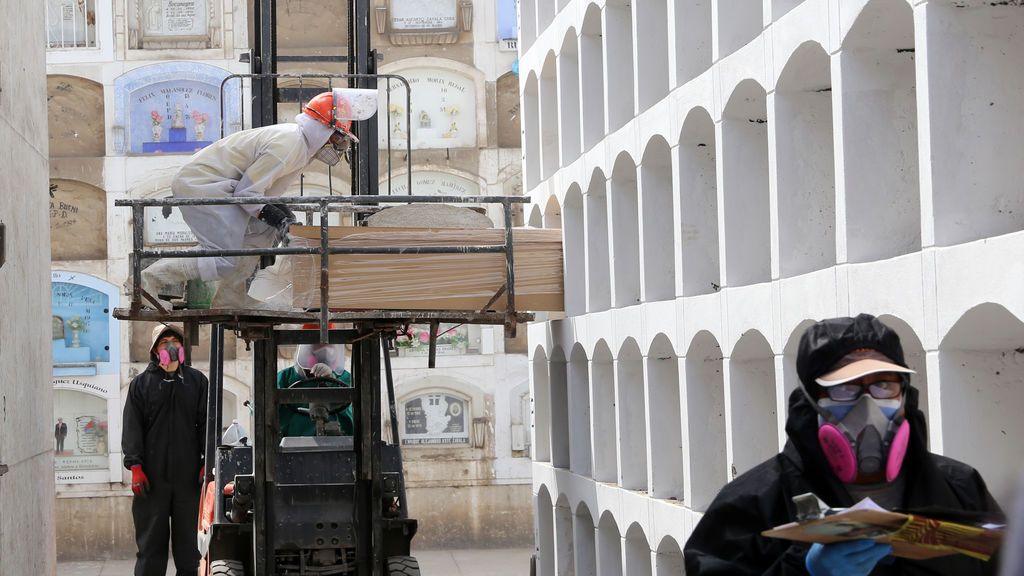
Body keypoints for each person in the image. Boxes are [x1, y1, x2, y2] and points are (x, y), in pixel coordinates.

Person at [684, 314, 1003, 575]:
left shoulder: (961, 489)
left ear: (904, 395)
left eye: (883, 385)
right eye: (844, 389)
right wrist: (804, 573)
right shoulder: (751, 506)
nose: (868, 407)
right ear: (811, 402)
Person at [137, 90, 357, 309]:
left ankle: (231, 297)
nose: (338, 145)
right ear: (321, 128)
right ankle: (147, 281)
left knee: (262, 229)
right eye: (337, 136)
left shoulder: (299, 146)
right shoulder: (288, 145)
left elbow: (264, 193)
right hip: (204, 185)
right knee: (223, 258)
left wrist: (284, 218)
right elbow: (246, 194)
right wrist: (281, 220)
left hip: (217, 185)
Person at [122, 324, 209, 576]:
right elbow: (132, 427)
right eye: (164, 342)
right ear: (154, 350)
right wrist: (135, 467)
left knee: (191, 551)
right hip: (152, 480)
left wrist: (207, 462)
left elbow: (207, 424)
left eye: (175, 342)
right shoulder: (141, 385)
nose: (171, 346)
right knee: (150, 549)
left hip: (189, 480)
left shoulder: (197, 382)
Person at [277, 341, 354, 437]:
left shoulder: (346, 379)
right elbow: (267, 411)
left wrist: (331, 382)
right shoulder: (285, 377)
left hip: (340, 444)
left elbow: (352, 414)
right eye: (317, 349)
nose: (323, 355)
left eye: (328, 350)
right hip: (292, 444)